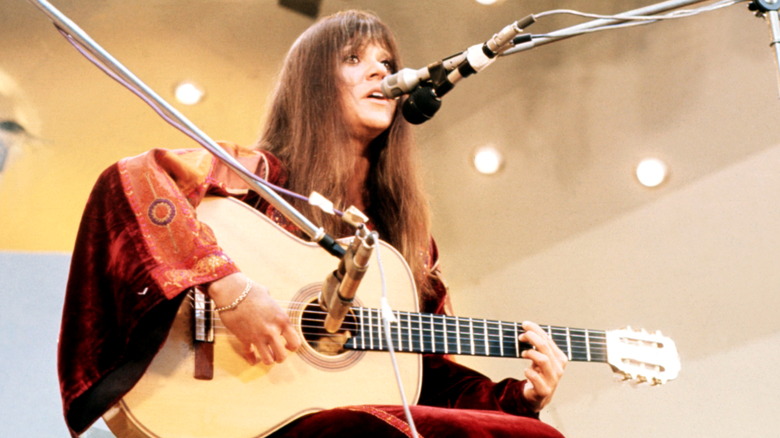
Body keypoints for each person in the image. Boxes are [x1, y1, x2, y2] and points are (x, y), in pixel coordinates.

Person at [58, 9, 567, 438]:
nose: (378, 72)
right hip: (247, 415)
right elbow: (133, 182)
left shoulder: (406, 240)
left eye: (386, 62)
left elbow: (421, 372)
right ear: (312, 84)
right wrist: (229, 290)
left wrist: (516, 396)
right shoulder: (254, 177)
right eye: (353, 59)